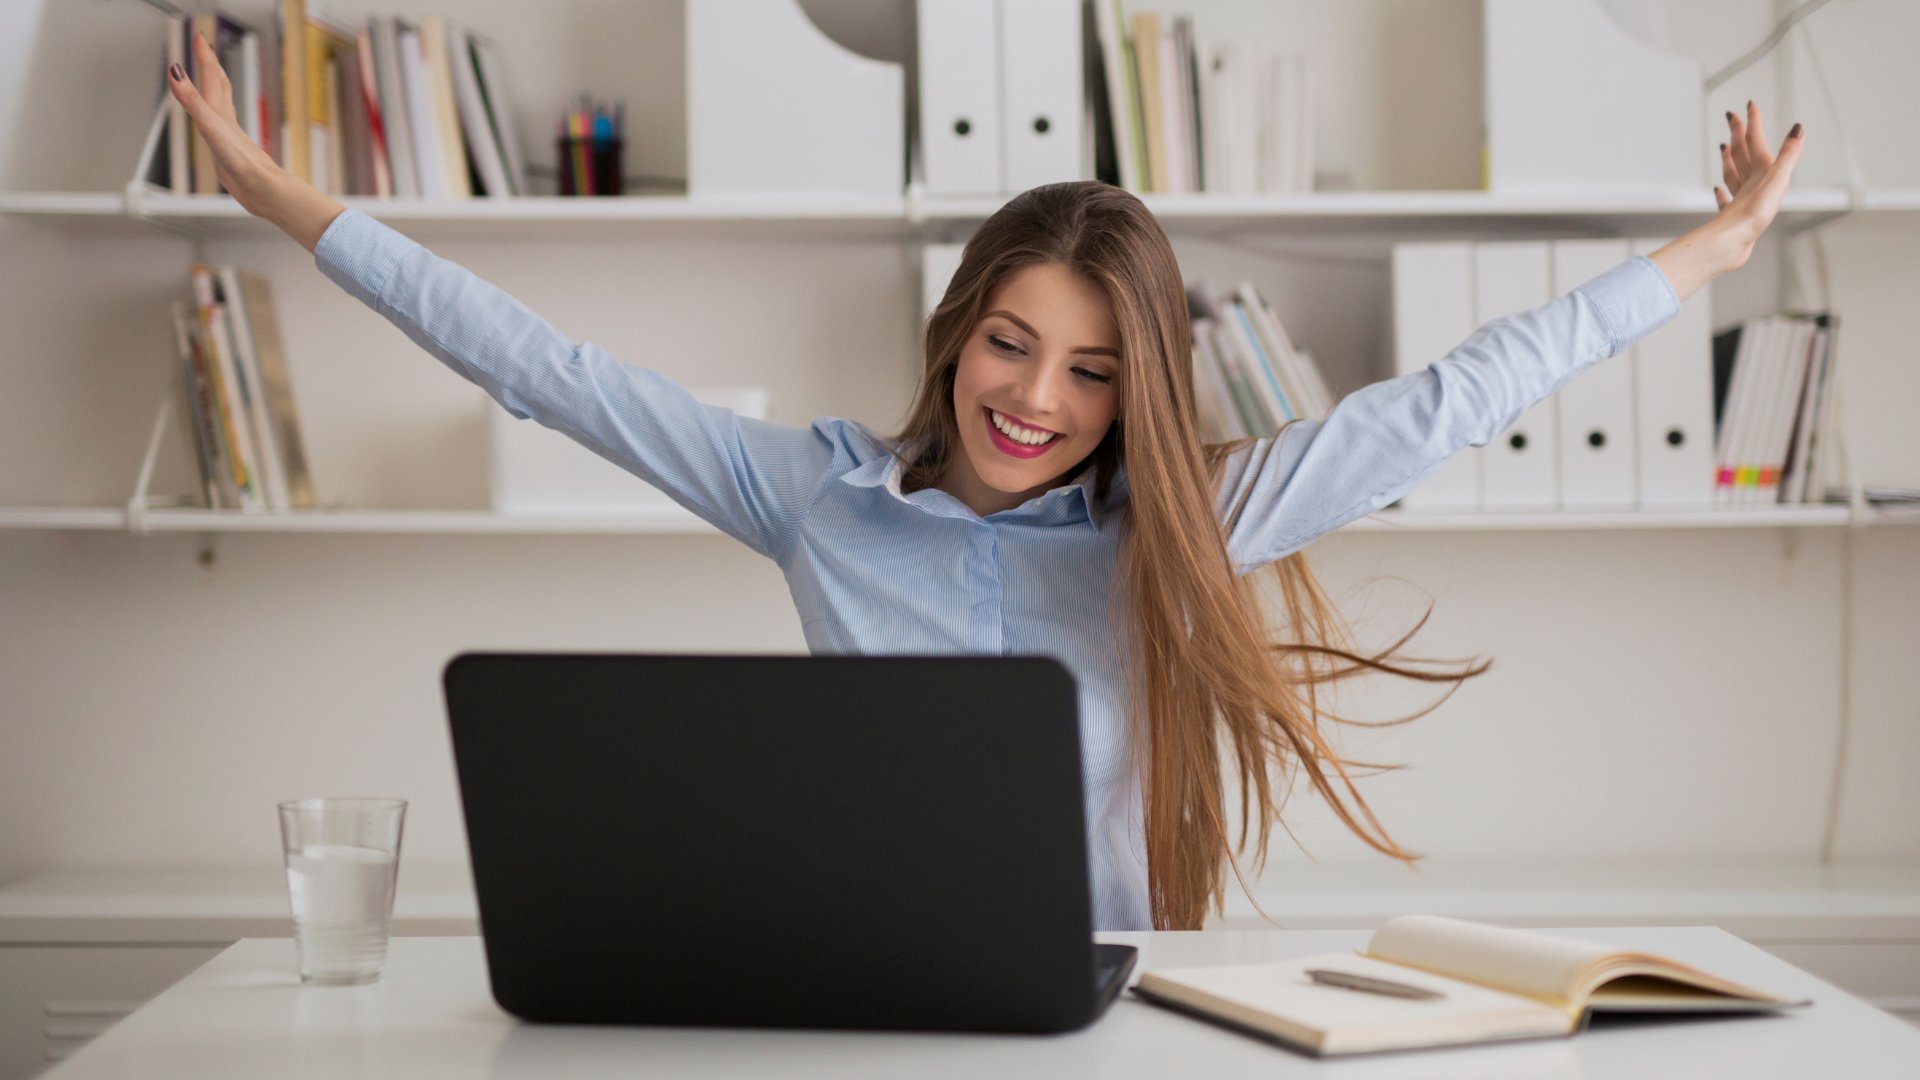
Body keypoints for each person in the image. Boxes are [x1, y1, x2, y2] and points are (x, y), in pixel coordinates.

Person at [166, 32, 1805, 931]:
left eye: (1095, 372)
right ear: (959, 330)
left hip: (1112, 1000)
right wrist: (274, 197)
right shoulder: (810, 495)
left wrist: (1716, 250)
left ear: (1139, 390)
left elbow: (1467, 389)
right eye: (1013, 345)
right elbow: (537, 361)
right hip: (853, 983)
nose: (1037, 398)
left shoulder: (1193, 522)